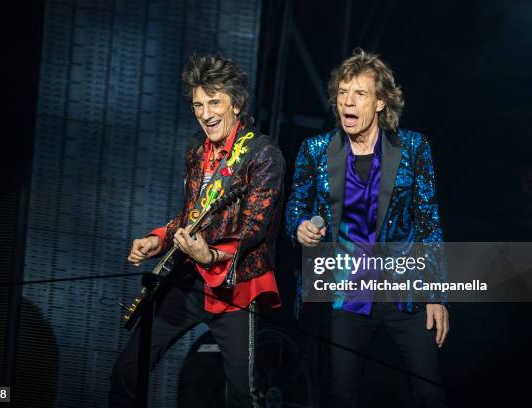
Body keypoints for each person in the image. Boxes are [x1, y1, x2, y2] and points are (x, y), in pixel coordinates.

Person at [109, 55, 285, 408]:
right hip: (188, 280)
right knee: (128, 372)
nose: (205, 113)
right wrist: (158, 239)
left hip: (235, 289)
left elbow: (255, 228)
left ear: (235, 102)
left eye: (214, 102)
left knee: (241, 396)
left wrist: (212, 254)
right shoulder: (196, 151)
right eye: (198, 105)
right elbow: (192, 215)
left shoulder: (263, 154)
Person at [285, 48, 449, 407]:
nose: (348, 101)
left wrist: (437, 294)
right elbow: (294, 207)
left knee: (429, 392)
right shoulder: (315, 150)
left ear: (379, 102)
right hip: (347, 295)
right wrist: (299, 226)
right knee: (342, 395)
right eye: (342, 93)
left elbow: (429, 222)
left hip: (404, 291)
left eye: (359, 93)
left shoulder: (413, 148)